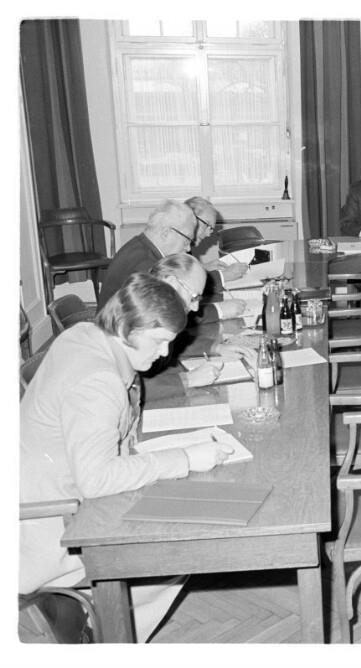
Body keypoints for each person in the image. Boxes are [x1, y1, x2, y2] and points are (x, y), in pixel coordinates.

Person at [20, 273, 233, 641]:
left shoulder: (85, 335)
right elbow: (96, 479)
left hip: (51, 497)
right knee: (178, 548)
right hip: (49, 524)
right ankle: (105, 635)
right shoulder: (98, 381)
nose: (164, 353)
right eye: (159, 341)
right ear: (125, 327)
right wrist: (184, 457)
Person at [148, 254, 257, 377]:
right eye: (194, 297)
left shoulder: (159, 315)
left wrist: (216, 348)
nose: (195, 308)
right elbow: (142, 382)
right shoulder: (144, 320)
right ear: (172, 283)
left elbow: (175, 343)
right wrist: (188, 379)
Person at [98, 200, 198, 309]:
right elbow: (165, 313)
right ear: (165, 233)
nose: (188, 248)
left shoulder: (139, 246)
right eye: (187, 240)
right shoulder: (148, 267)